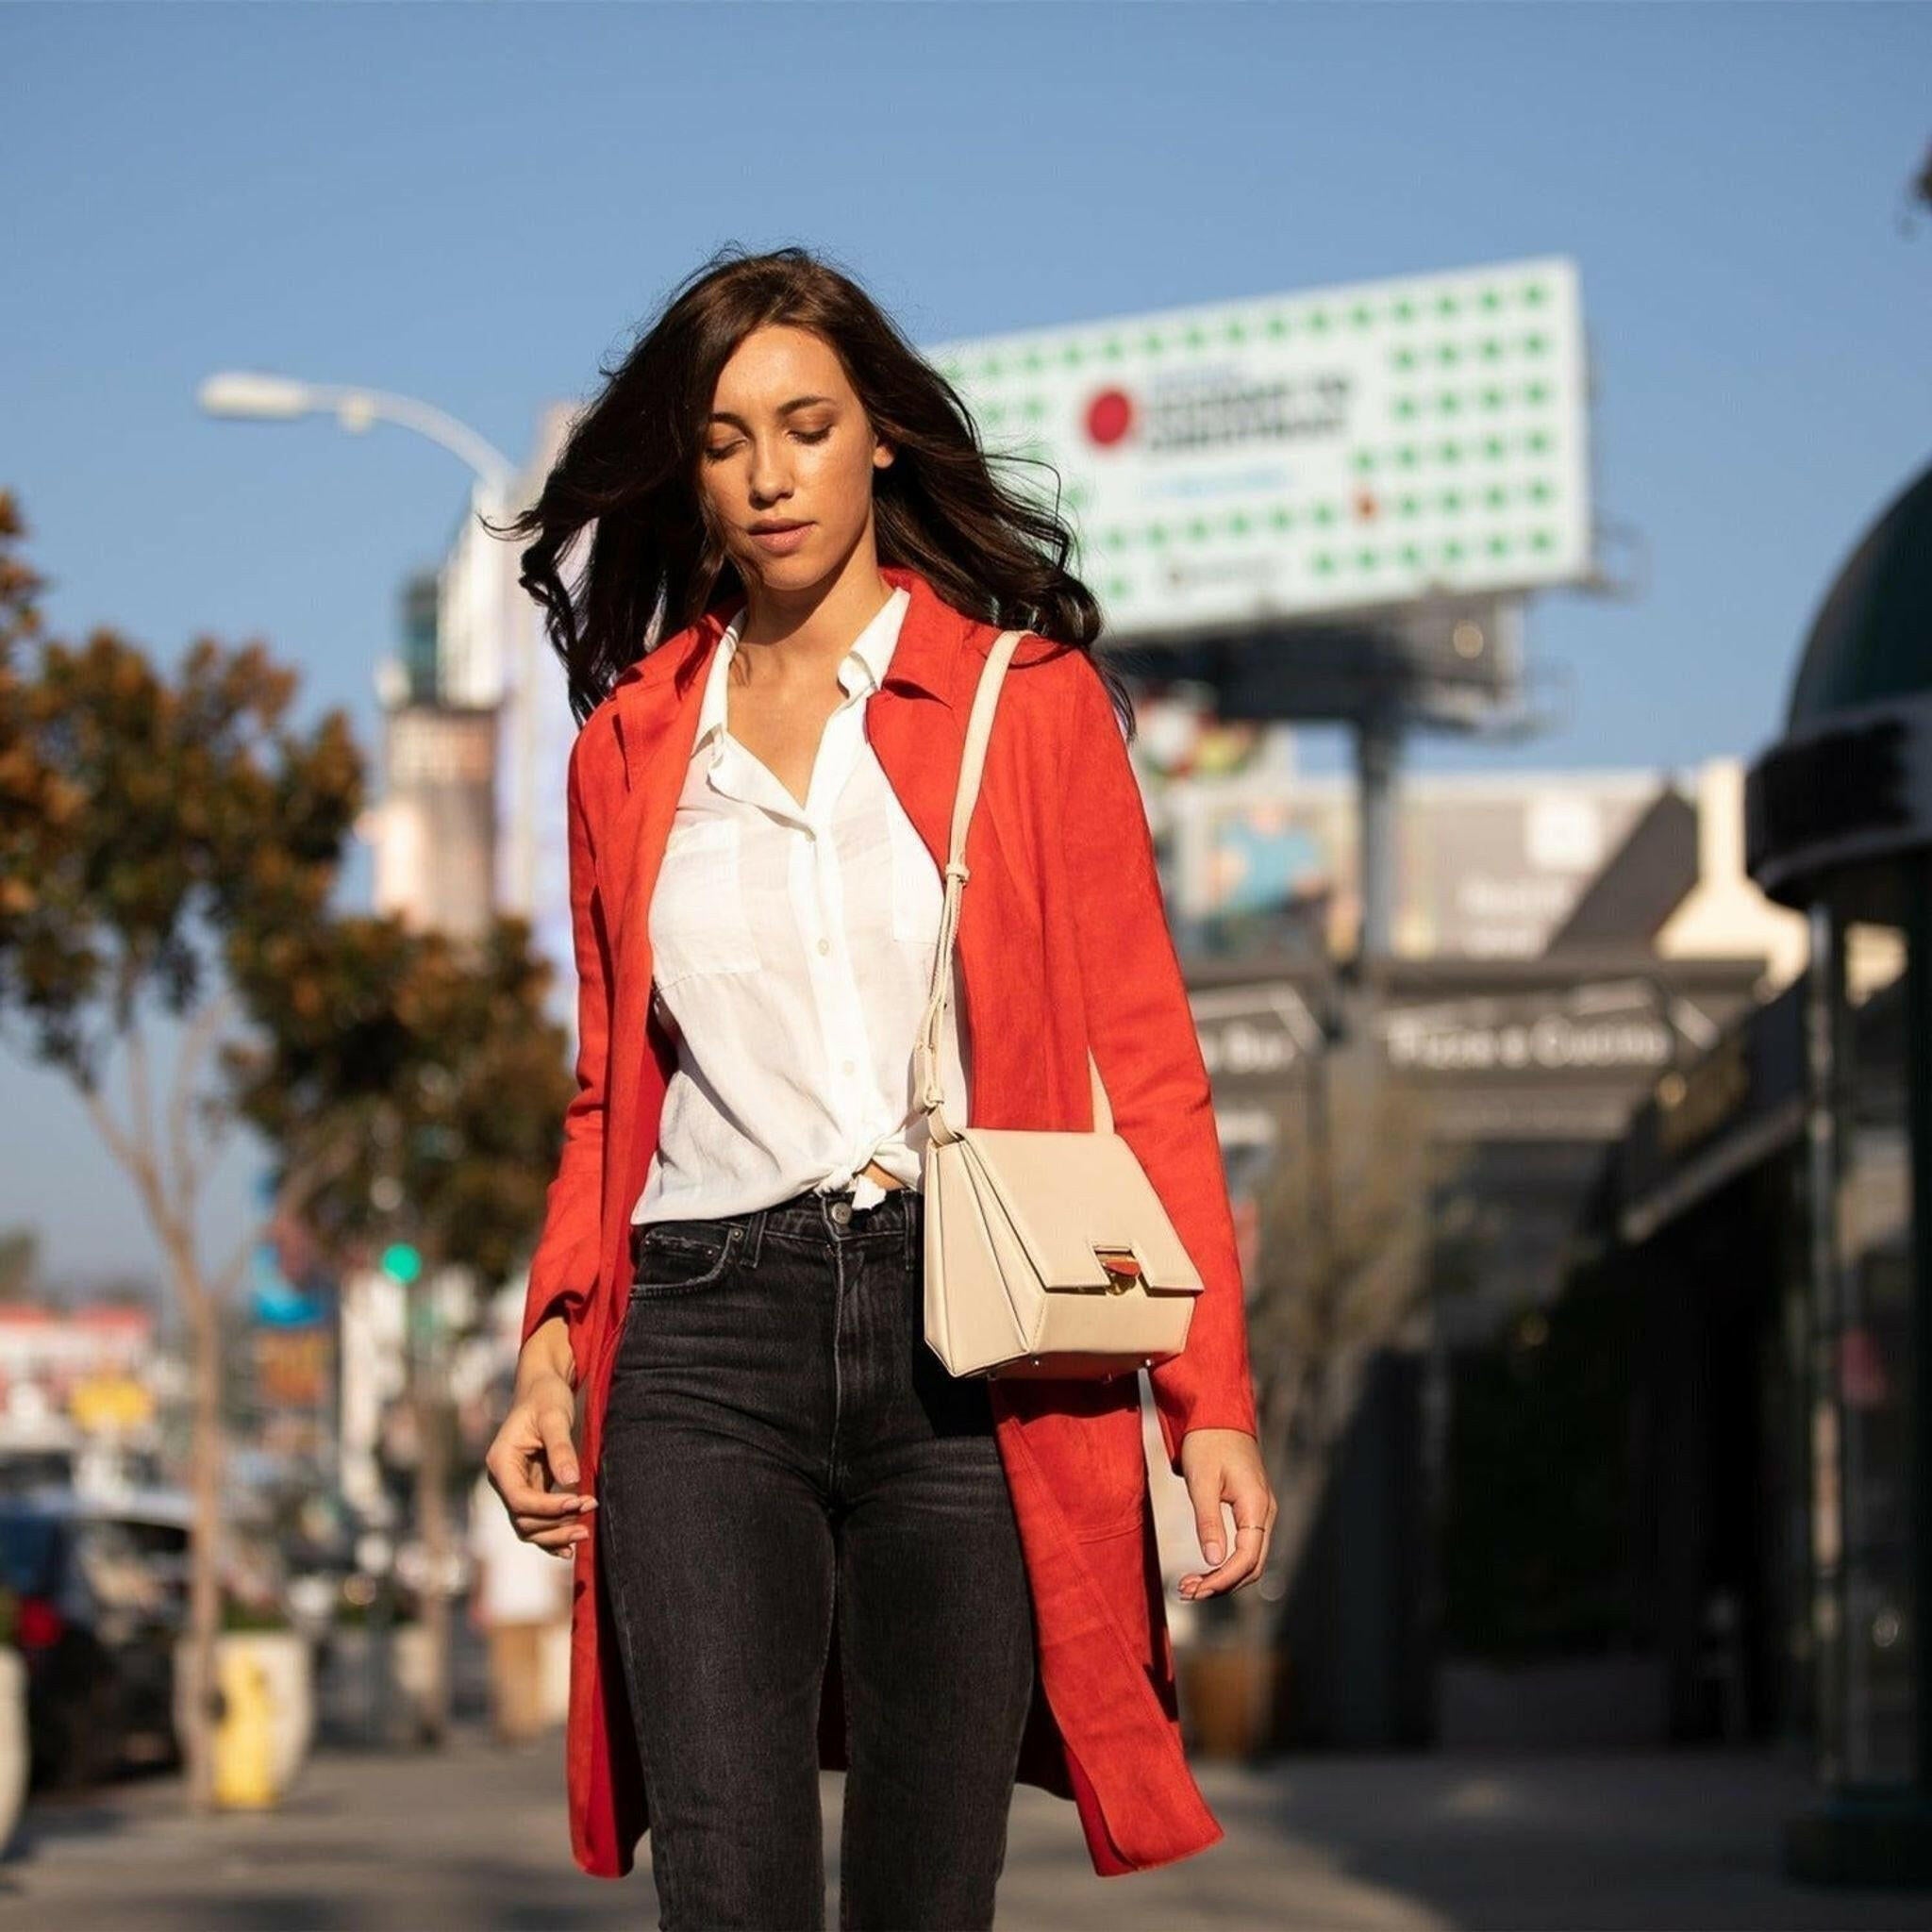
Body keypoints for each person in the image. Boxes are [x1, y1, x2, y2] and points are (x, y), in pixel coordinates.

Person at [483, 245, 1276, 1932]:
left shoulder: (1028, 705)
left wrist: (1208, 1400)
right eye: (722, 437)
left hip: (971, 1343)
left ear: (883, 439)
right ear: (685, 470)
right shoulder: (629, 742)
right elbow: (605, 1095)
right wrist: (552, 1339)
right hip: (700, 1338)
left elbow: (1145, 1063)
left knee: (928, 1886)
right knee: (730, 1876)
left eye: (805, 424)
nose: (768, 475)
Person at [466, 1458, 568, 1744]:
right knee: (531, 1665)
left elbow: (482, 1552)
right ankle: (526, 1725)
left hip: (504, 1597)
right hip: (535, 1596)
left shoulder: (488, 1497)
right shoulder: (545, 1489)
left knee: (508, 1667)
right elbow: (555, 1557)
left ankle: (513, 1724)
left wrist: (478, 1596)